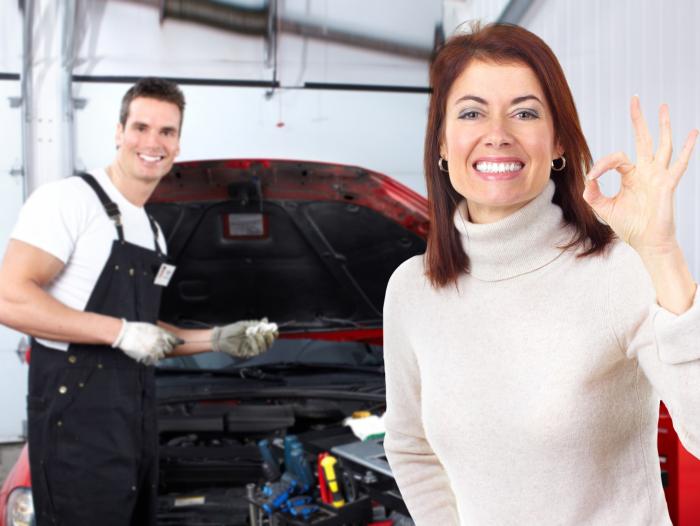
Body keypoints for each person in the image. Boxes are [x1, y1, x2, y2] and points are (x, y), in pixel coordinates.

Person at [382, 23, 699, 525]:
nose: (498, 135)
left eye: (525, 112)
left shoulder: (620, 270)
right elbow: (411, 445)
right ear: (442, 144)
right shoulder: (412, 289)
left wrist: (660, 251)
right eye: (471, 113)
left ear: (558, 143)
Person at [0, 77, 278, 526]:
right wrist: (120, 332)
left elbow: (146, 333)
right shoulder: (69, 201)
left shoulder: (151, 230)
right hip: (76, 423)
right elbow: (9, 298)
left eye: (166, 132)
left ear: (178, 142)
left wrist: (217, 340)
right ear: (118, 132)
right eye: (141, 127)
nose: (153, 142)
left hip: (134, 418)